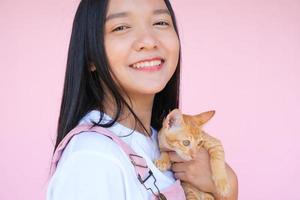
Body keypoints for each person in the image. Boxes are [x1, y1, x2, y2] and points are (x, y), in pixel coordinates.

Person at [47, 0, 238, 199]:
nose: (149, 41)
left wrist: (227, 190)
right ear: (90, 57)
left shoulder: (160, 141)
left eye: (160, 23)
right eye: (121, 27)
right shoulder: (91, 160)